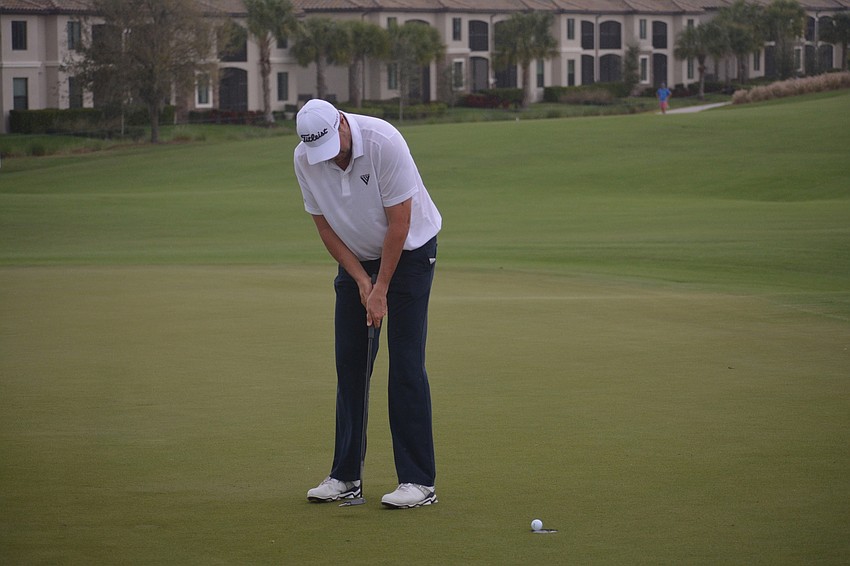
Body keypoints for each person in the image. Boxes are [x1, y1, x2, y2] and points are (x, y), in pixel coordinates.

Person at [293, 99, 442, 509]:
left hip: (410, 252)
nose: (334, 158)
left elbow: (401, 223)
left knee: (406, 361)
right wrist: (361, 279)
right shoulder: (305, 157)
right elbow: (323, 226)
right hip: (356, 258)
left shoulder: (383, 141)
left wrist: (381, 289)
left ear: (342, 122)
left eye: (335, 147)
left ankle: (418, 482)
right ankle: (345, 476)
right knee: (351, 362)